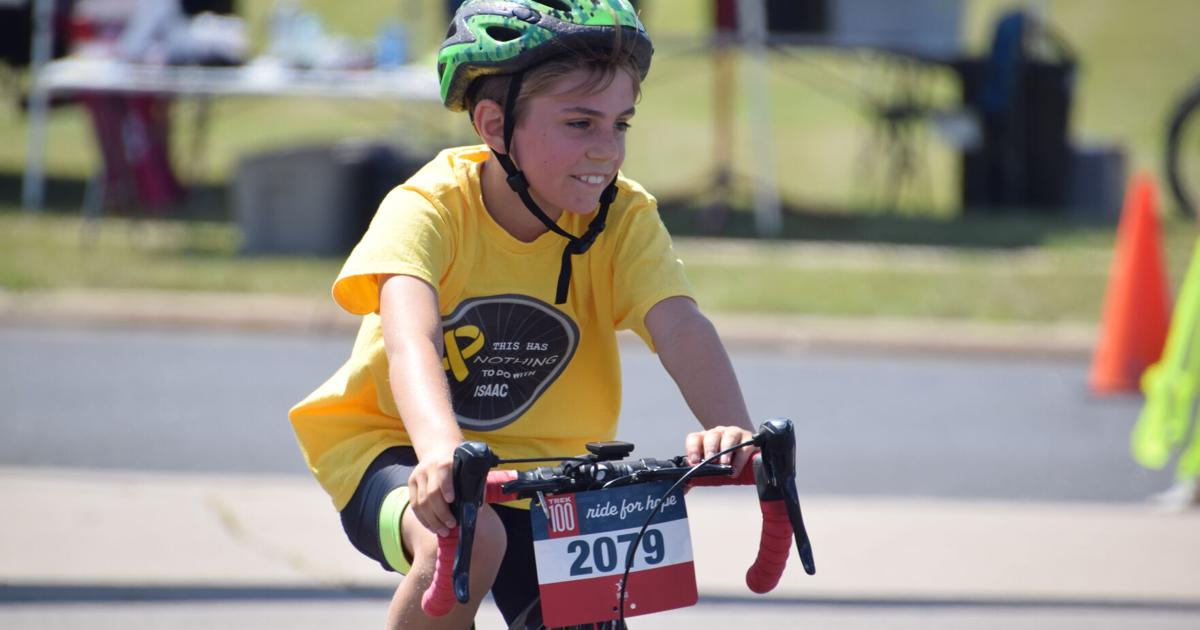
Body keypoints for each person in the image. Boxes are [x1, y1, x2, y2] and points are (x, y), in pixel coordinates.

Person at [289, 1, 758, 627]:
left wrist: (734, 429)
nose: (606, 150)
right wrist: (442, 454)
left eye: (620, 124)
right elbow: (412, 343)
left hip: (550, 472)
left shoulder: (622, 215)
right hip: (398, 448)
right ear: (494, 125)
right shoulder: (427, 207)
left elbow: (678, 325)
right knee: (472, 536)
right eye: (579, 123)